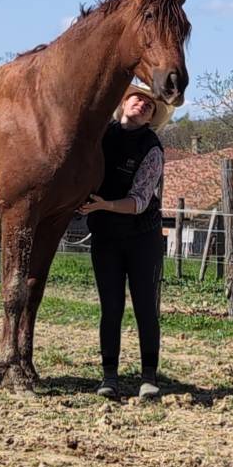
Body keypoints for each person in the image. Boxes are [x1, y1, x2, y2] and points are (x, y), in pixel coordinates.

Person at [78, 83, 173, 399]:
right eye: (138, 98)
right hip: (106, 235)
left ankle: (149, 377)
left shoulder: (152, 148)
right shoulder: (99, 136)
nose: (143, 104)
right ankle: (109, 377)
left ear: (151, 119)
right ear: (123, 103)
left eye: (150, 105)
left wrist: (104, 205)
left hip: (142, 237)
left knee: (146, 306)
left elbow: (140, 201)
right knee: (111, 307)